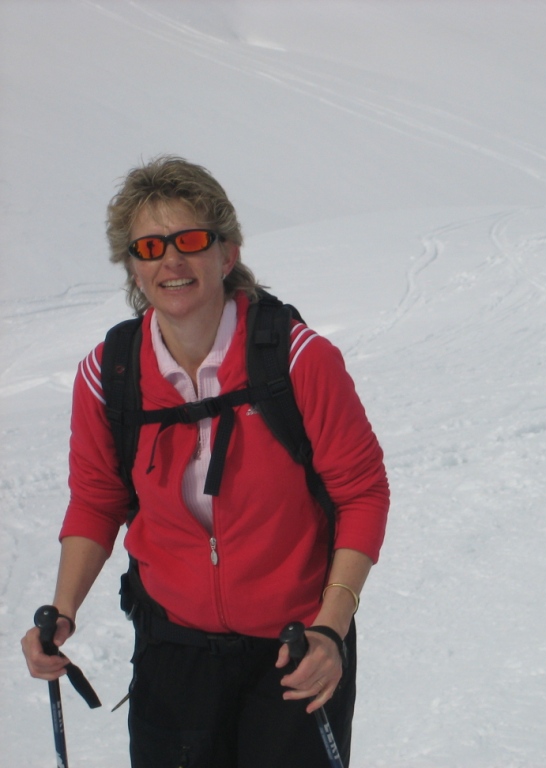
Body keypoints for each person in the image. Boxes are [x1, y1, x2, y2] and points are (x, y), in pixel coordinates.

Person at [22, 156, 389, 767]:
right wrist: (62, 611)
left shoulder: (297, 359)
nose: (171, 260)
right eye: (150, 247)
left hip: (296, 648)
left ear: (227, 253)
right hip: (174, 653)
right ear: (133, 267)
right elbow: (97, 500)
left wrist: (332, 628)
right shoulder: (109, 375)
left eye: (190, 240)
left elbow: (362, 492)